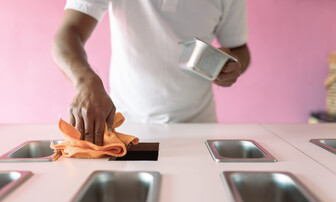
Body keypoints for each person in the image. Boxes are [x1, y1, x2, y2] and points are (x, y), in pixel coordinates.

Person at [52, 0, 250, 145]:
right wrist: (87, 83)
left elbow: (239, 49)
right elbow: (68, 33)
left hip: (199, 127)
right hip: (127, 130)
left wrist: (234, 64)